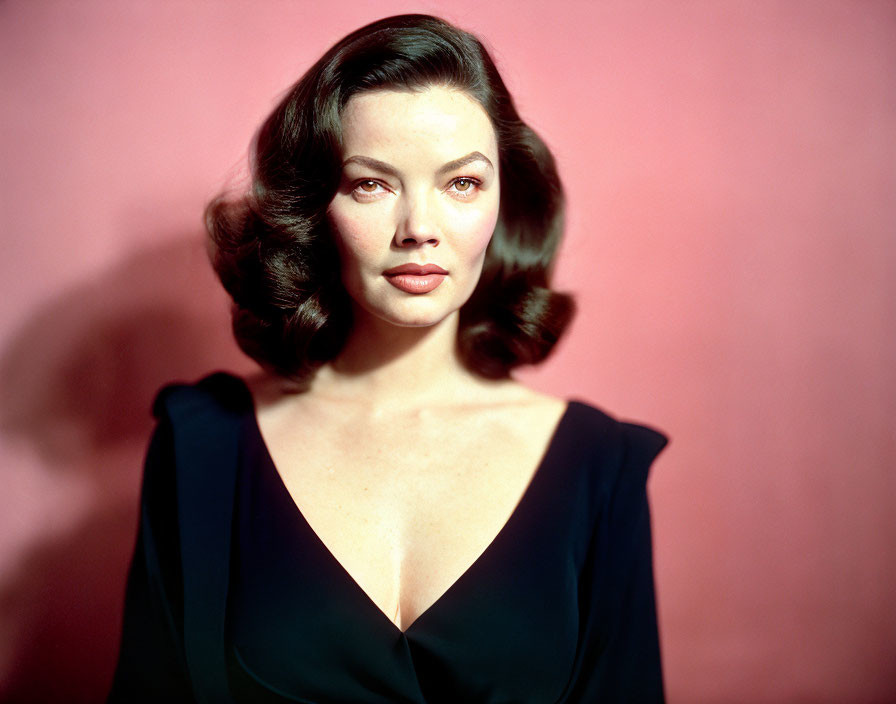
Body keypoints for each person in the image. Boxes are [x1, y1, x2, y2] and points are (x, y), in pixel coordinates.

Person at [108, 13, 668, 703]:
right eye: (371, 184)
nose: (419, 231)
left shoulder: (598, 466)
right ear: (314, 208)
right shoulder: (203, 445)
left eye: (461, 184)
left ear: (504, 201)